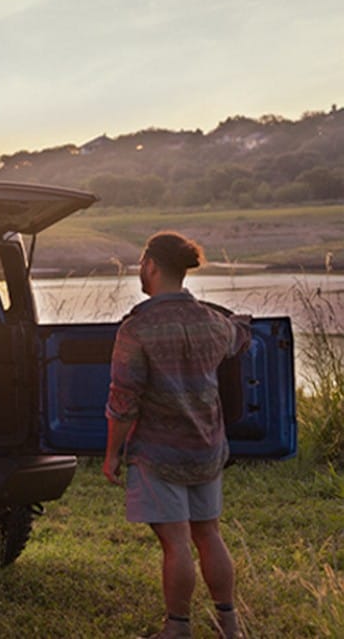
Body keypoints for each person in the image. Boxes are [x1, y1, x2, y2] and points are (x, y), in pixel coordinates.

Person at [103, 232, 253, 639]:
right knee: (209, 532)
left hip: (157, 455)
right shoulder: (211, 321)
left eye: (141, 263)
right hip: (207, 449)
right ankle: (230, 626)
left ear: (150, 265)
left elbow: (123, 402)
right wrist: (242, 324)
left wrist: (112, 453)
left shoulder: (137, 328)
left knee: (176, 543)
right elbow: (241, 337)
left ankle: (178, 629)